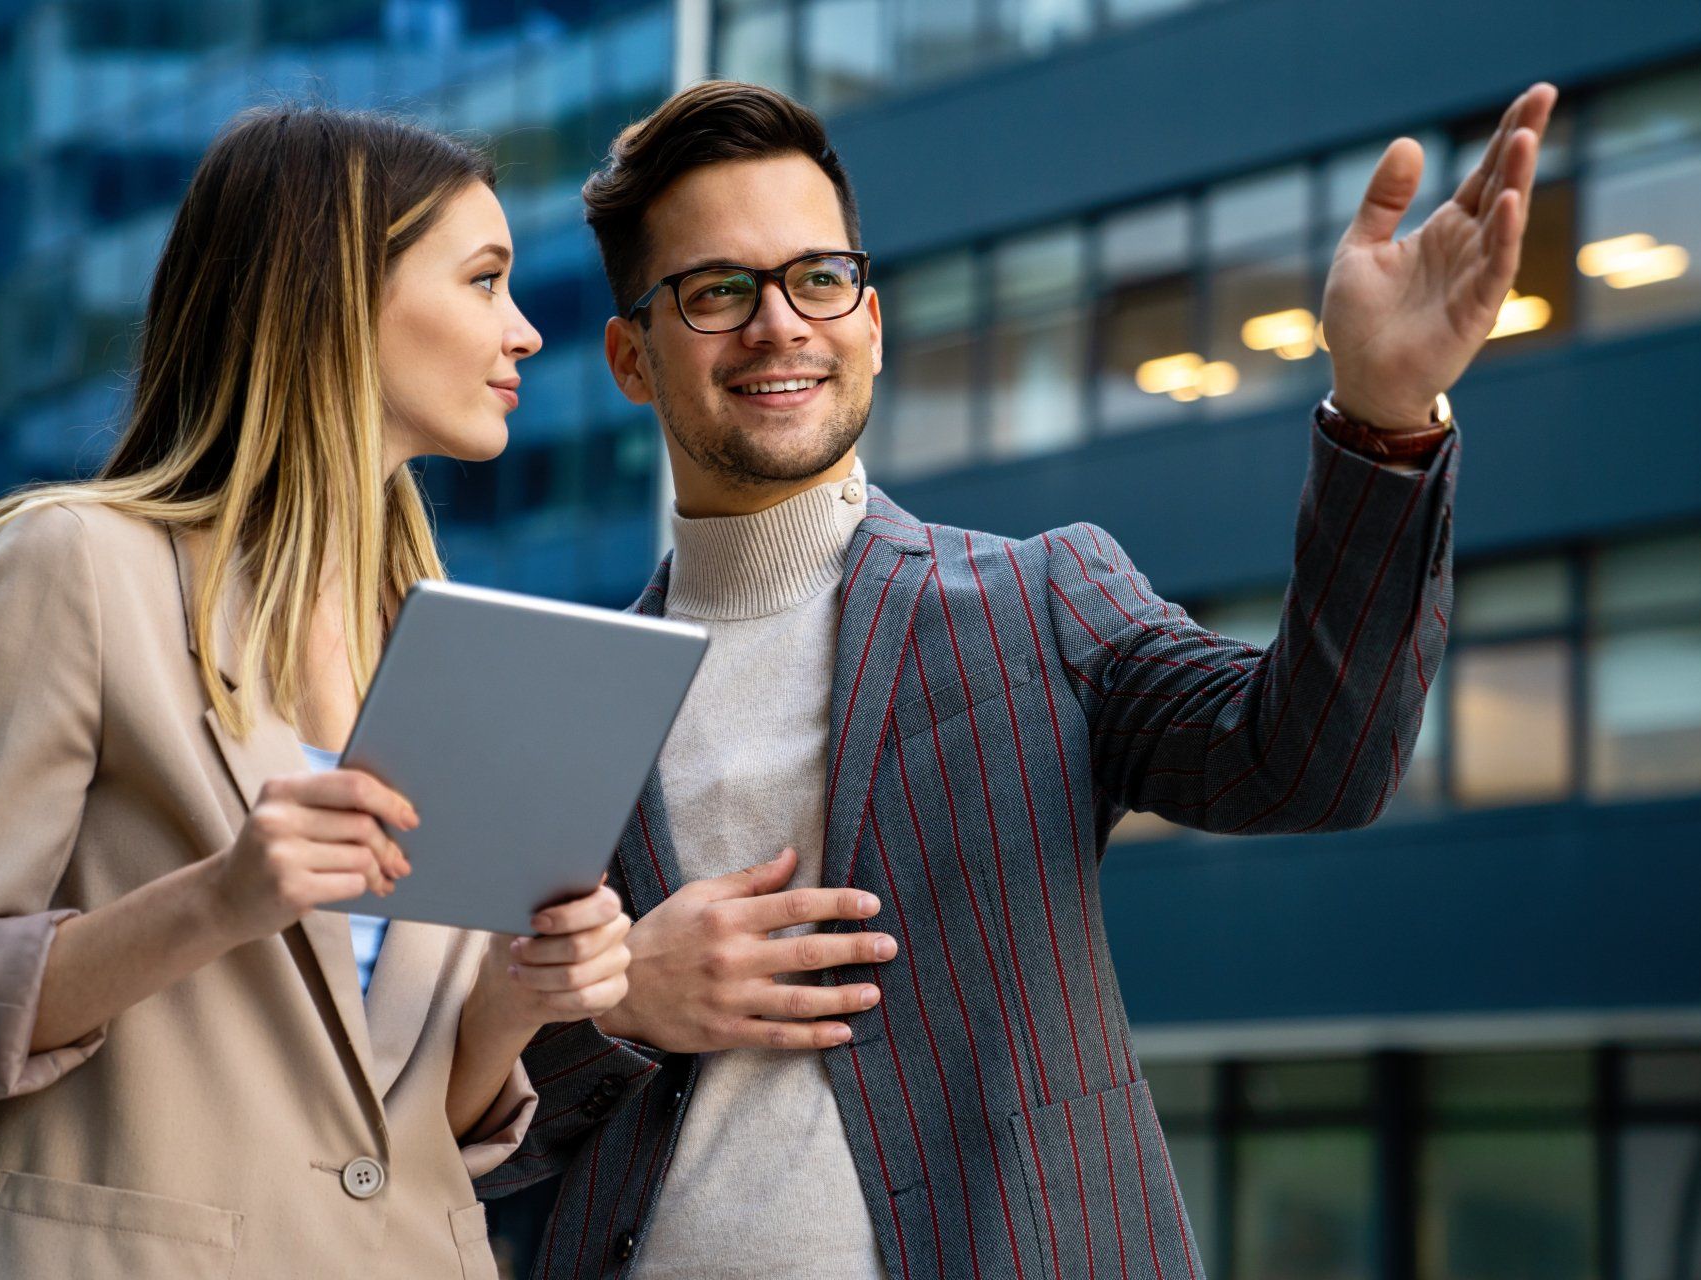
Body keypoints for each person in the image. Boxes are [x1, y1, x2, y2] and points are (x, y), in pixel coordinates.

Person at [479, 79, 1556, 1279]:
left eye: (816, 277)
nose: (778, 324)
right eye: (718, 291)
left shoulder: (1037, 602)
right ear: (633, 355)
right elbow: (474, 1124)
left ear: (870, 321)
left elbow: (1310, 764)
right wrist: (620, 998)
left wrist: (1384, 415)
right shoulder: (561, 704)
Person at [0, 106, 632, 1279]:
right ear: (336, 294)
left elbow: (407, 1116)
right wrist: (218, 899)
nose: (527, 332)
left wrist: (521, 997)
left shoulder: (443, 645)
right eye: (485, 281)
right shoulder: (74, 571)